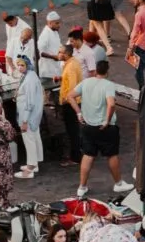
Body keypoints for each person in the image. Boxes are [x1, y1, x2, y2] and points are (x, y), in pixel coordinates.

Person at [69, 59, 132, 198]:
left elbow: (70, 96)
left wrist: (79, 113)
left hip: (87, 126)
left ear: (96, 70)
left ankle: (82, 186)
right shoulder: (108, 85)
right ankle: (118, 183)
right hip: (105, 127)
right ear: (107, 72)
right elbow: (111, 104)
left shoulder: (86, 82)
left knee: (88, 155)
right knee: (112, 154)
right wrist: (107, 121)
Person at [14, 55, 44, 180]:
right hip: (33, 115)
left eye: (22, 65)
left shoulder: (30, 79)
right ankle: (35, 163)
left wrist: (25, 120)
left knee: (29, 140)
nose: (20, 68)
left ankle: (30, 168)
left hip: (28, 116)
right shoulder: (29, 76)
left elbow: (29, 103)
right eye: (19, 65)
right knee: (35, 137)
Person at [58, 43, 83, 166]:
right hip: (72, 102)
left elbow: (72, 88)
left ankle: (76, 157)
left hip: (71, 104)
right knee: (73, 130)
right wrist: (61, 78)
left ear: (66, 54)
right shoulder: (71, 64)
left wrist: (66, 99)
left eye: (60, 52)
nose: (58, 54)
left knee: (72, 131)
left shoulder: (71, 67)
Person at [36, 11, 63, 91]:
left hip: (55, 69)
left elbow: (57, 45)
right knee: (49, 92)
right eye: (57, 23)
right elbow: (39, 51)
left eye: (59, 23)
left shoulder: (55, 32)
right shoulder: (45, 34)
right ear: (50, 23)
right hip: (47, 72)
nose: (59, 25)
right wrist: (53, 57)